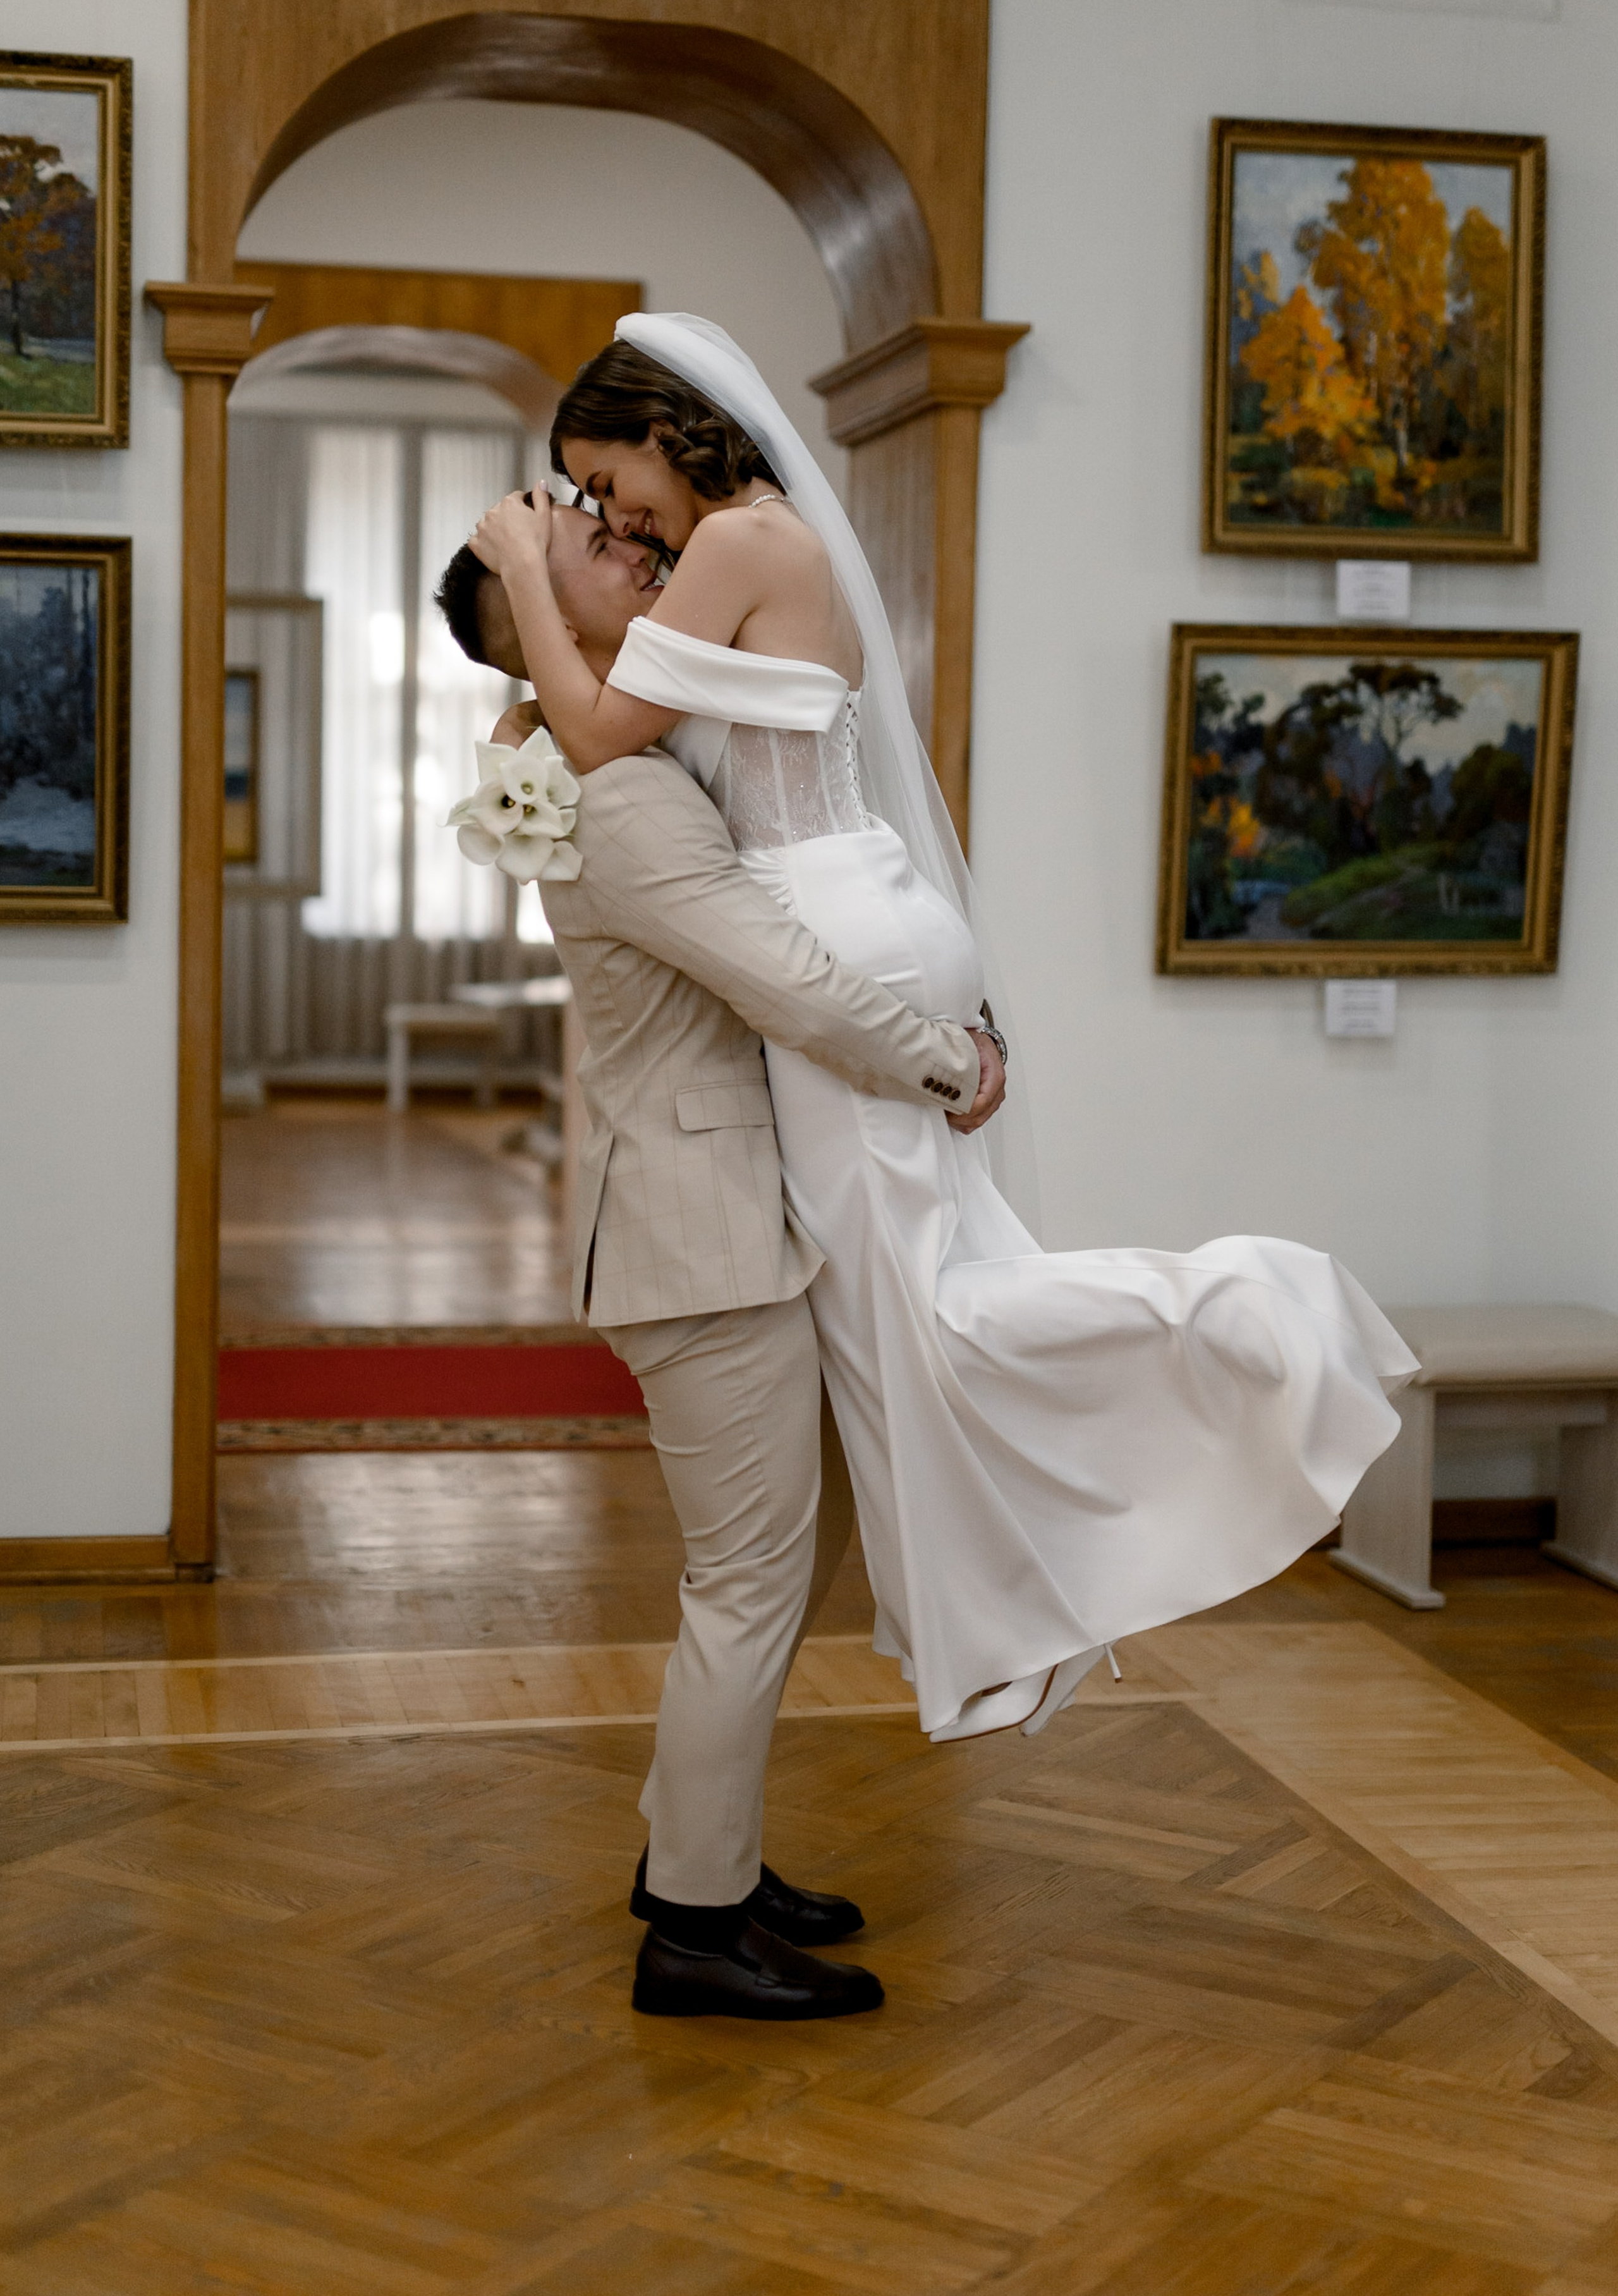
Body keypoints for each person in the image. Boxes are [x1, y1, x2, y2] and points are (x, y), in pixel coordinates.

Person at [465, 312, 1419, 1752]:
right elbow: (609, 737)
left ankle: (1252, 1318)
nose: (612, 516)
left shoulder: (729, 547)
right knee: (935, 1285)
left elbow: (594, 736)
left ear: (666, 426)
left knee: (933, 1308)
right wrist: (524, 677)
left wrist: (527, 571)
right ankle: (994, 1605)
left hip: (832, 932)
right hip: (877, 902)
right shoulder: (765, 542)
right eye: (587, 506)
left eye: (606, 482)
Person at [434, 506, 1005, 2020]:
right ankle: (691, 1925)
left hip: (737, 1217)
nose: (628, 542)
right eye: (584, 540)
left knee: (781, 1557)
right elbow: (781, 977)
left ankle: (706, 1853)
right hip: (698, 1235)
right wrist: (949, 1062)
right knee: (748, 1579)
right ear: (533, 627)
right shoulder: (617, 794)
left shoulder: (631, 753)